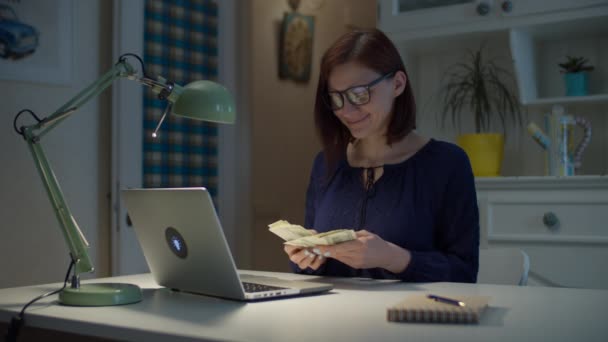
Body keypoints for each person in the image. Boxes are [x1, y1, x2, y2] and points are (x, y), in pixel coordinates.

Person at [283, 28, 479, 283]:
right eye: (337, 98)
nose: (347, 110)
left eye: (359, 94)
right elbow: (311, 273)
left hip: (408, 319)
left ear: (397, 84)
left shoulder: (447, 164)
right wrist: (306, 258)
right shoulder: (325, 164)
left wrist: (392, 257)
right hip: (331, 318)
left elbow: (464, 273)